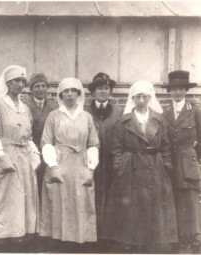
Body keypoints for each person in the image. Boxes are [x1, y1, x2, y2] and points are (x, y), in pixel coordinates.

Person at [103, 81, 178, 253]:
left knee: (154, 206)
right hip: (130, 167)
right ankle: (131, 242)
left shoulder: (159, 120)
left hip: (155, 167)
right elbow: (117, 148)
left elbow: (166, 146)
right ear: (133, 98)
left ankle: (152, 243)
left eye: (145, 97)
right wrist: (119, 167)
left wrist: (166, 165)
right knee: (131, 207)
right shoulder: (124, 121)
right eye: (138, 97)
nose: (142, 101)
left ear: (150, 98)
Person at [0, 65, 41, 252]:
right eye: (16, 80)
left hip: (24, 156)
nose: (20, 84)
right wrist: (1, 156)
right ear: (8, 83)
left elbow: (29, 136)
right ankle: (3, 238)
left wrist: (34, 155)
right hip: (7, 155)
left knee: (24, 197)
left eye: (23, 81)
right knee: (7, 196)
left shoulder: (25, 108)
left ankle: (21, 235)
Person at [40, 77, 100, 252]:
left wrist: (91, 168)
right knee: (59, 202)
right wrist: (53, 166)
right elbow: (46, 142)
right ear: (61, 94)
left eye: (74, 91)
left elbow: (93, 144)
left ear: (79, 94)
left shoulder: (86, 117)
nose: (70, 94)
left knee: (81, 202)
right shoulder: (54, 116)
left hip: (80, 163)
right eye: (66, 91)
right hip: (60, 163)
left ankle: (79, 242)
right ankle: (59, 242)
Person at [162, 70, 201, 253]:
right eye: (174, 89)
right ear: (169, 92)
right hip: (170, 164)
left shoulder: (195, 112)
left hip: (188, 163)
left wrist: (193, 158)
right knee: (173, 201)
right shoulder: (164, 113)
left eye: (181, 89)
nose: (177, 93)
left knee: (191, 202)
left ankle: (193, 239)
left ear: (186, 91)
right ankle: (176, 239)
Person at [84, 72, 123, 248]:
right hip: (89, 161)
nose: (103, 91)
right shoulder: (84, 111)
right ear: (93, 92)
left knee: (110, 195)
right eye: (99, 88)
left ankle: (107, 235)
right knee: (89, 195)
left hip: (110, 161)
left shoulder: (119, 112)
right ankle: (89, 233)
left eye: (106, 88)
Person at [25, 73, 56, 199]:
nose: (41, 89)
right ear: (31, 89)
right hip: (31, 150)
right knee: (32, 185)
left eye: (44, 86)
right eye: (37, 86)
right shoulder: (25, 106)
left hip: (48, 151)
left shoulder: (53, 106)